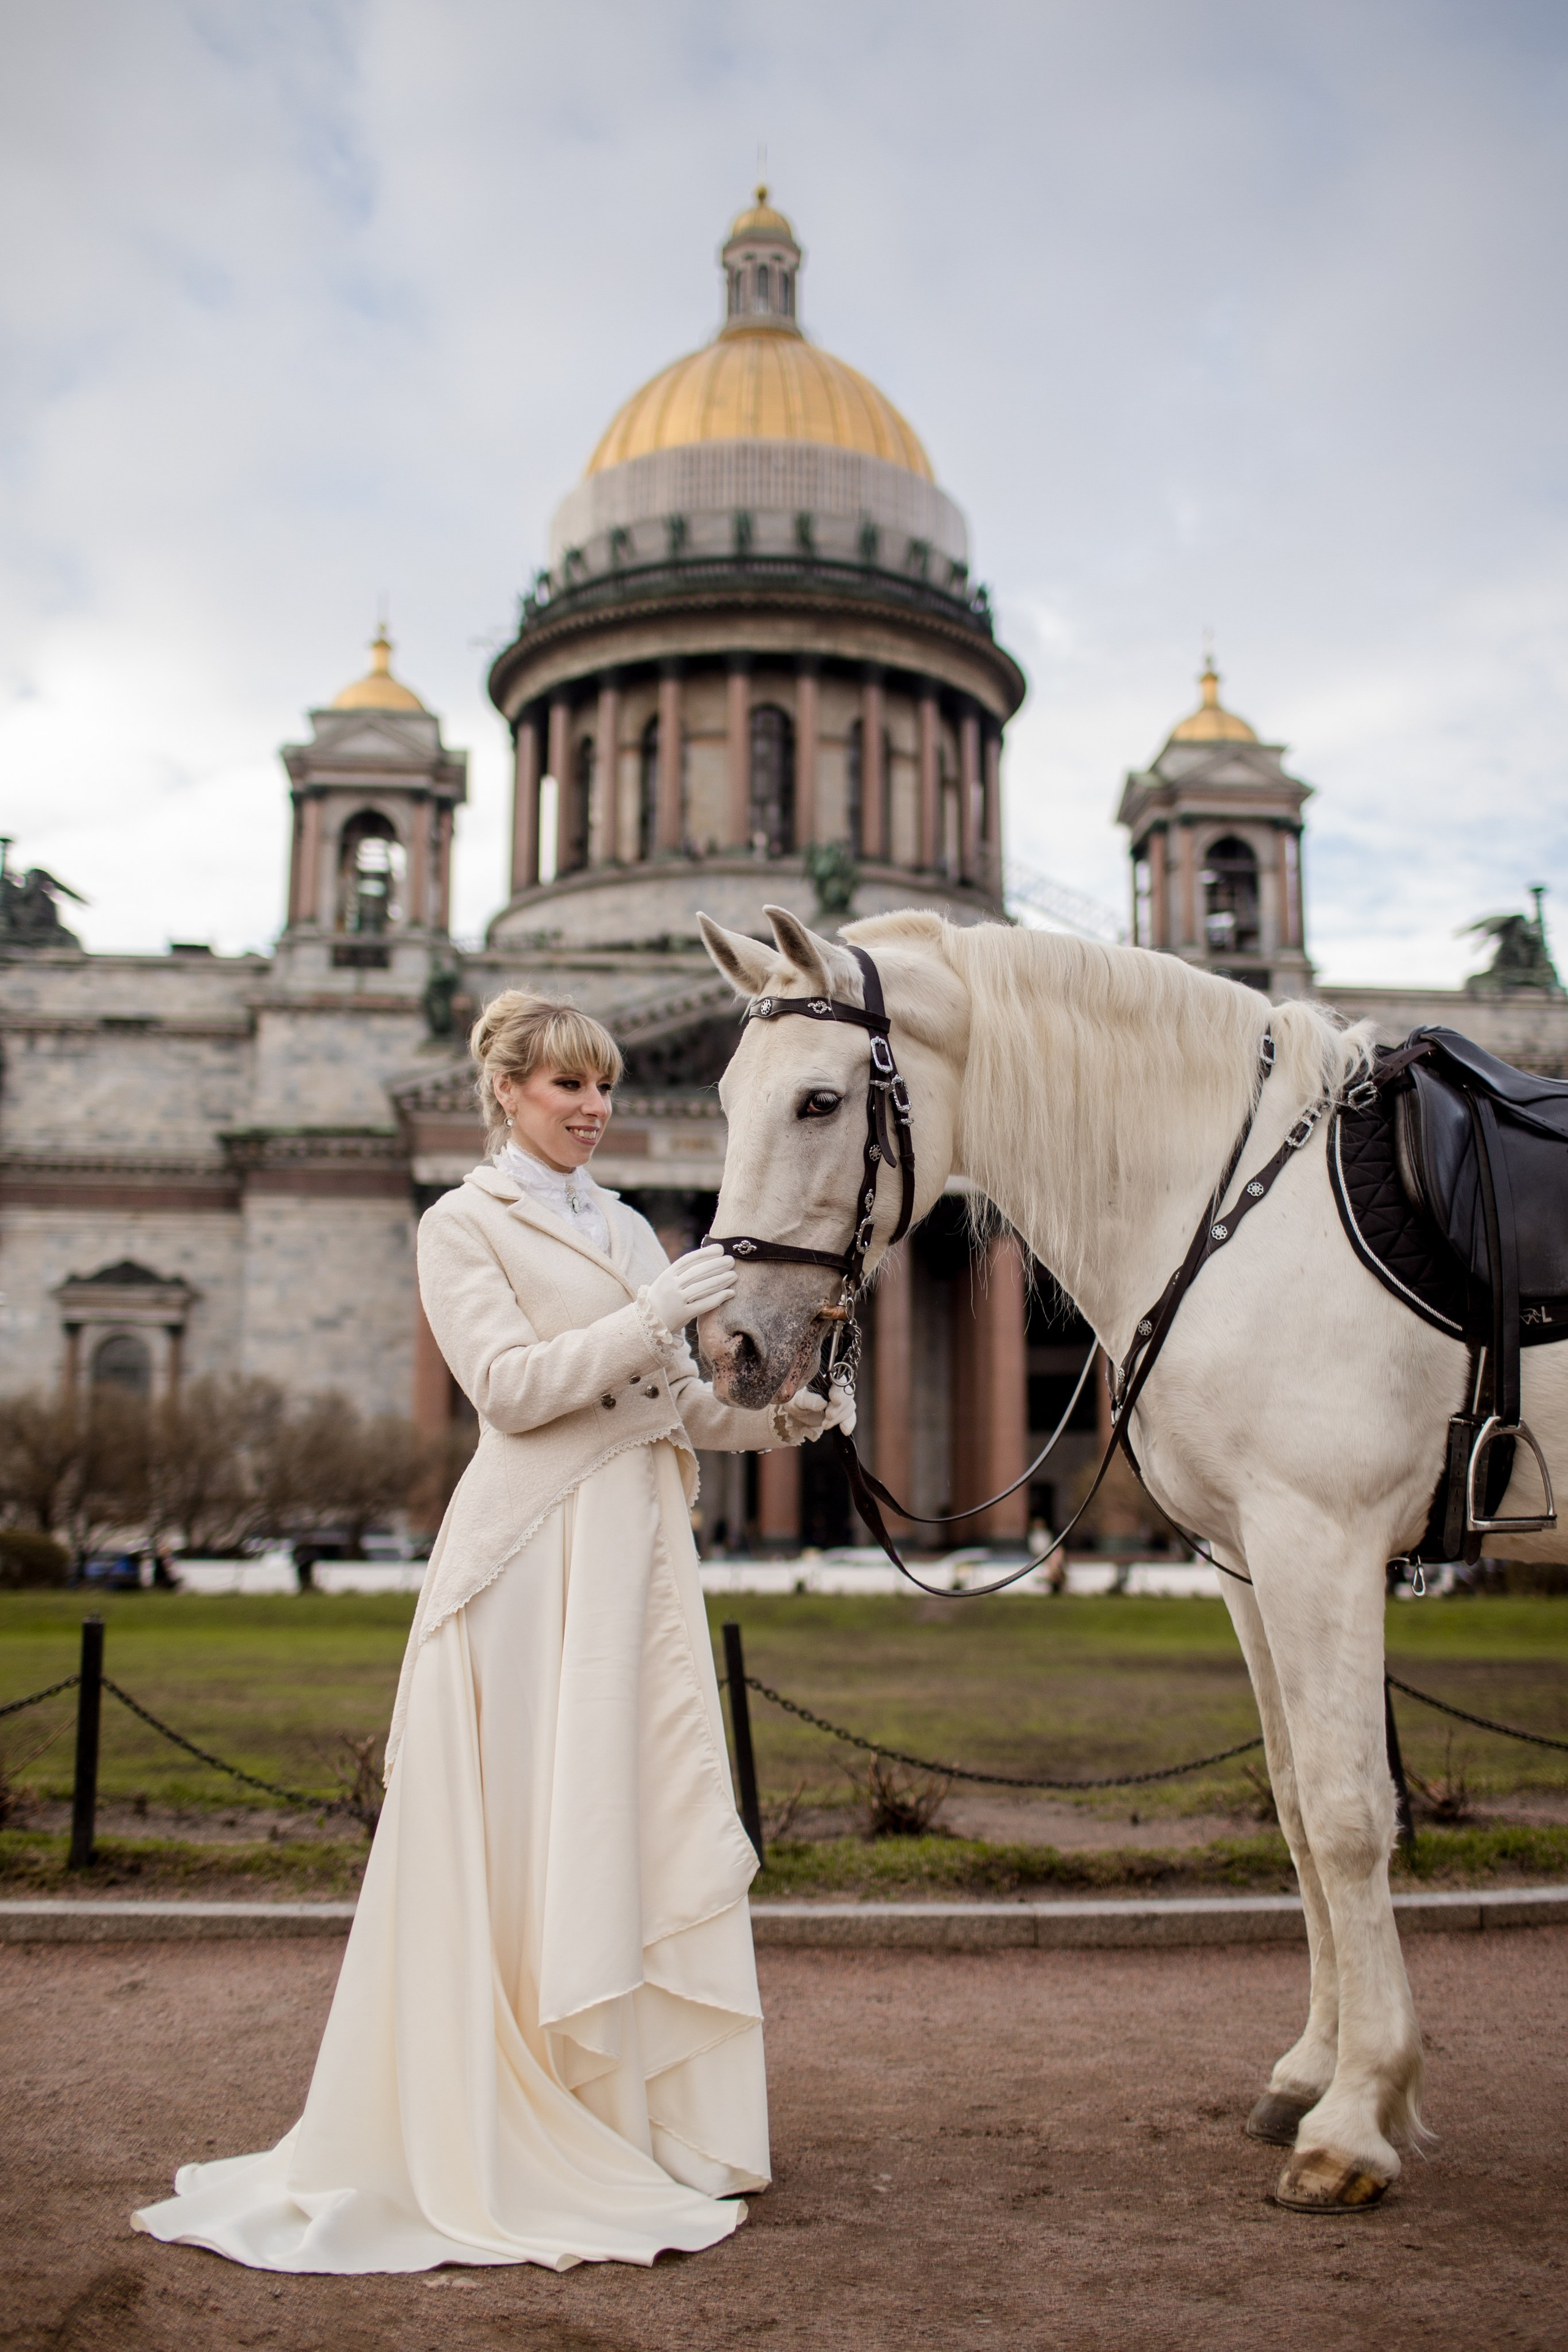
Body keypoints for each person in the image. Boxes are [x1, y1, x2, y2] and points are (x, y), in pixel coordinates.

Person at [134, 990, 851, 2274]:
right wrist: (648, 1316)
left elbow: (678, 1410)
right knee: (530, 1811)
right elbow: (512, 1393)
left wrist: (791, 1417)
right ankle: (507, 2111)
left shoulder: (630, 1225)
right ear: (508, 1093)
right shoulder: (464, 1221)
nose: (593, 1110)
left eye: (605, 1089)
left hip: (630, 1547)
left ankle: (622, 2116)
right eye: (569, 1087)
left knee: (622, 1806)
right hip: (531, 1553)